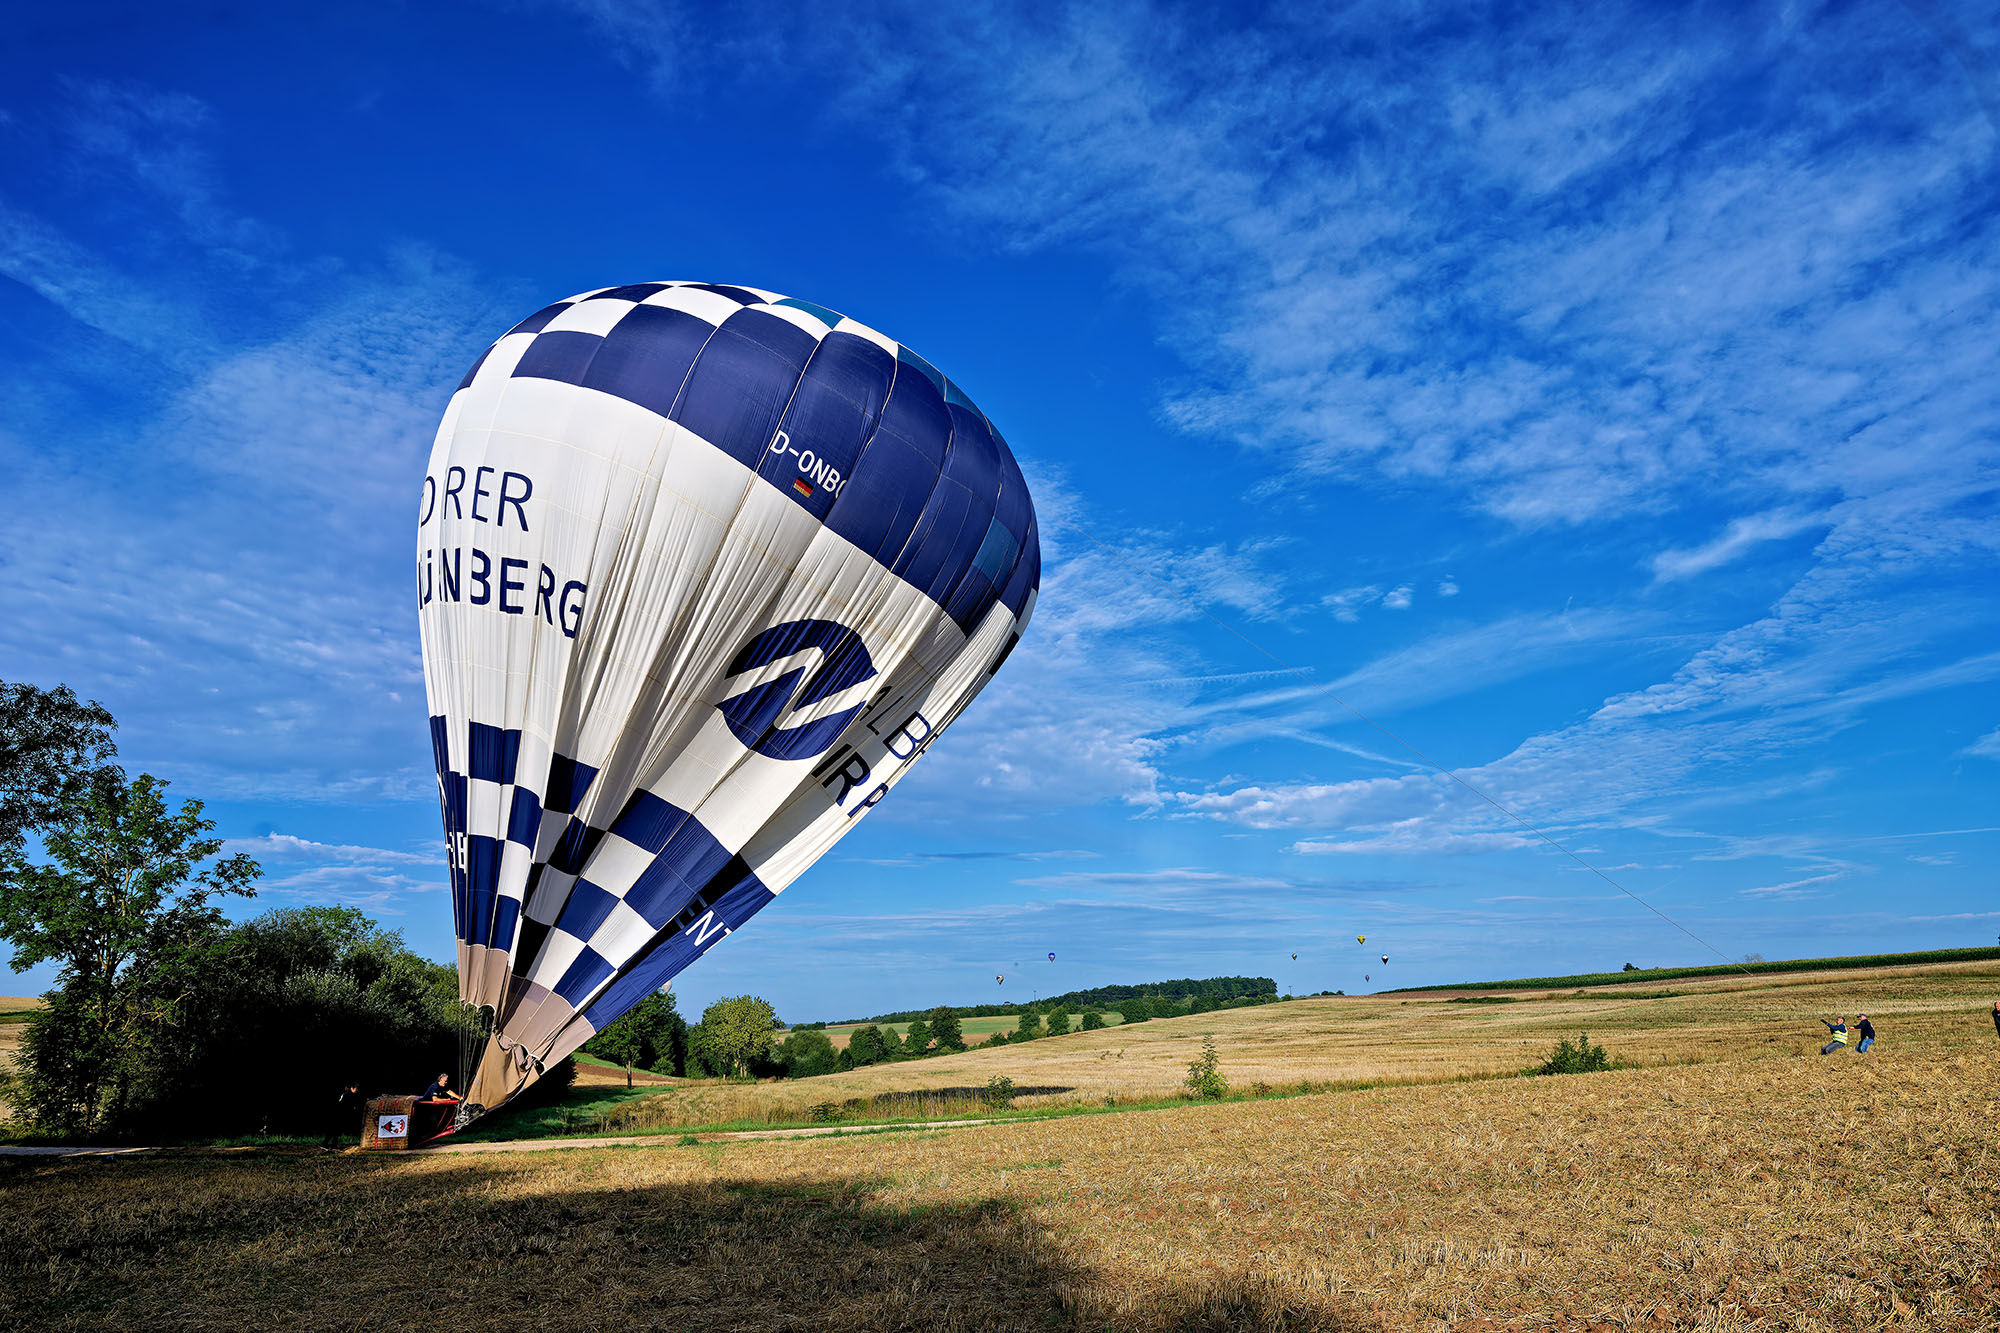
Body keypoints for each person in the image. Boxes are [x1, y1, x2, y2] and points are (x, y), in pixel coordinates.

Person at [323, 1080, 365, 1151]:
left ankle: (333, 1144)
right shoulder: (348, 1095)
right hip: (338, 1114)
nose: (357, 1091)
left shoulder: (348, 1094)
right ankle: (327, 1143)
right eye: (356, 1089)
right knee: (334, 1129)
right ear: (353, 1088)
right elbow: (345, 1106)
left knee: (336, 1130)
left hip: (339, 1114)